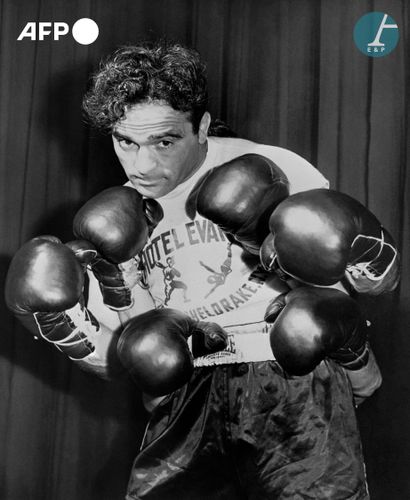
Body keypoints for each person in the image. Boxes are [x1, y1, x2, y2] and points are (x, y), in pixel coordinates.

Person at [6, 41, 388, 499]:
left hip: (289, 376)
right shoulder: (122, 213)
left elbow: (340, 271)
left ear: (201, 126)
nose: (143, 164)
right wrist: (73, 322)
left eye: (164, 141)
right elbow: (136, 335)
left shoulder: (270, 165)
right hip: (188, 393)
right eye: (125, 141)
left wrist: (357, 357)